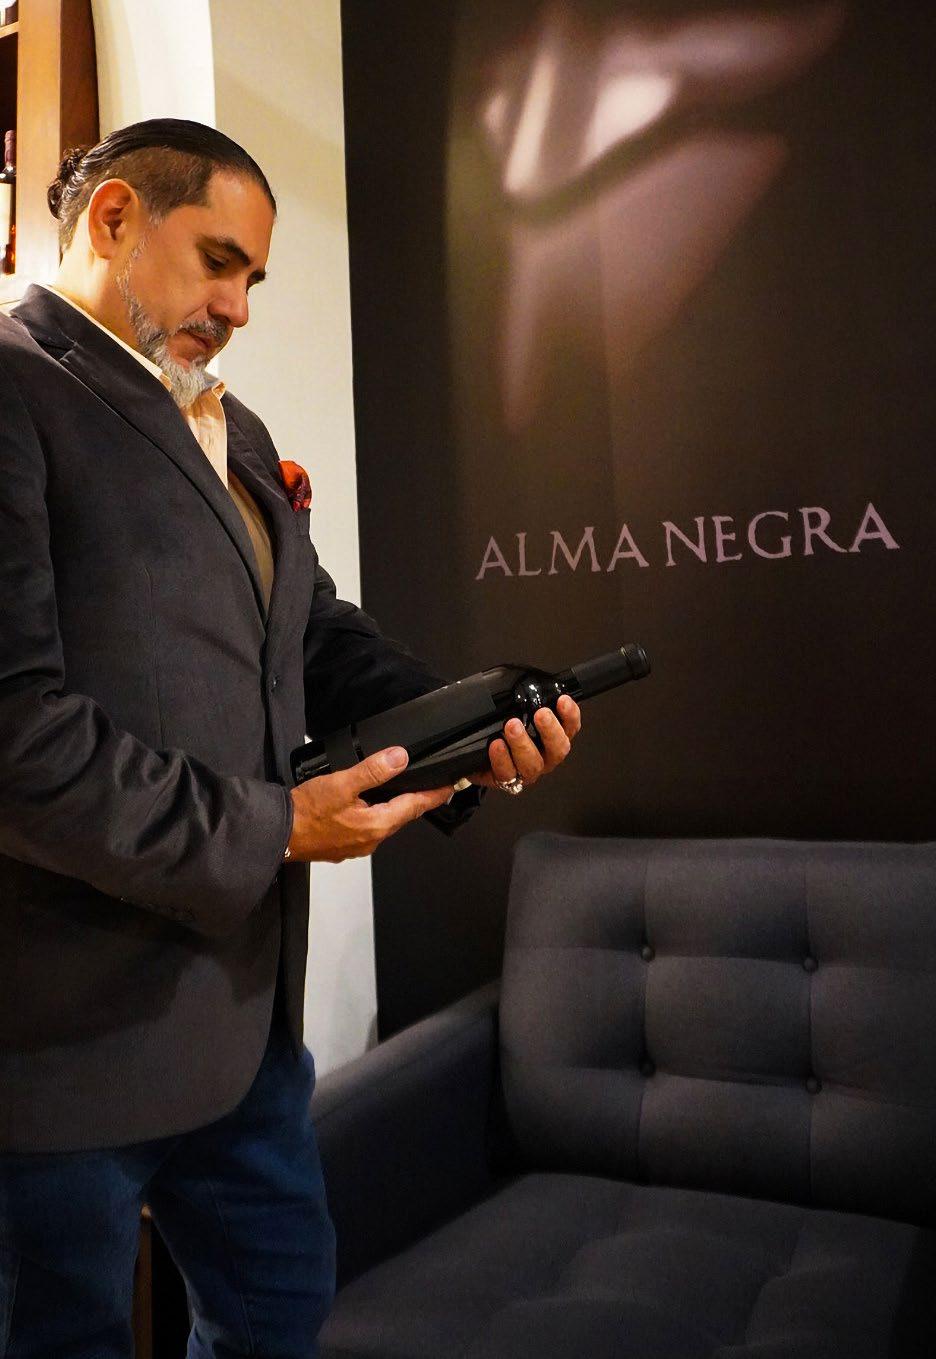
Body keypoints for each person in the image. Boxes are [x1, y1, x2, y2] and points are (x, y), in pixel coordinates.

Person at [0, 119, 580, 1359]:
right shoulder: (11, 389)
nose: (239, 308)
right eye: (219, 262)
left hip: (245, 1026)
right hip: (54, 1048)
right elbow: (18, 740)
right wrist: (276, 827)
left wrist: (461, 728)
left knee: (277, 1314)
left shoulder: (238, 430)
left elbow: (308, 634)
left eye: (254, 277)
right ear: (113, 217)